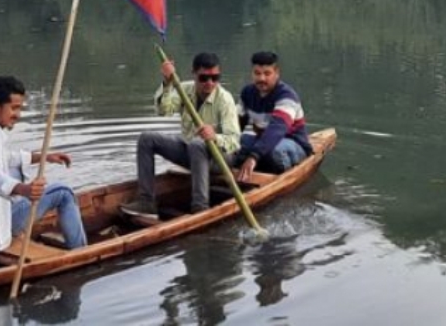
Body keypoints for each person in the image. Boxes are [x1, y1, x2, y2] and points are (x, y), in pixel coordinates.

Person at [0, 76, 87, 256]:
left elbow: (6, 158)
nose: (18, 115)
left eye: (20, 108)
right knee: (64, 193)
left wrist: (45, 157)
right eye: (14, 108)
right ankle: (82, 253)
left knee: (16, 175)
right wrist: (24, 189)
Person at [120, 52, 241, 219]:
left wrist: (215, 137)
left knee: (198, 144)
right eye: (204, 78)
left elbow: (235, 142)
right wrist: (167, 83)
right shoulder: (184, 89)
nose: (210, 83)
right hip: (190, 151)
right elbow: (163, 110)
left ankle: (200, 207)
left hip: (219, 158)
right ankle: (146, 202)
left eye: (215, 77)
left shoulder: (225, 99)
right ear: (194, 74)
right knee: (147, 139)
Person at [233, 51, 312, 182]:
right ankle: (244, 173)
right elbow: (236, 123)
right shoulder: (247, 92)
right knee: (238, 143)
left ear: (277, 73)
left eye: (267, 73)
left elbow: (277, 129)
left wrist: (253, 157)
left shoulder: (286, 96)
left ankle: (283, 179)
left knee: (276, 151)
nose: (261, 78)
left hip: (291, 143)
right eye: (257, 73)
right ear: (251, 74)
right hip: (262, 141)